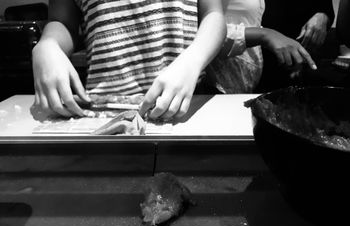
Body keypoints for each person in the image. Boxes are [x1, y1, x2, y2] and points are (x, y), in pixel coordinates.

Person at [32, 0, 226, 120]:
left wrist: (193, 59)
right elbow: (63, 21)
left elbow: (213, 14)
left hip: (184, 108)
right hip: (103, 114)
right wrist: (48, 44)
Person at [209, 0, 316, 94]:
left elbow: (249, 23)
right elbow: (205, 35)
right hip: (214, 87)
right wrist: (265, 35)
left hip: (242, 87)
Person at [257, 0, 334, 92]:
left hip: (304, 54)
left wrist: (323, 15)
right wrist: (267, 35)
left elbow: (326, 8)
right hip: (259, 55)